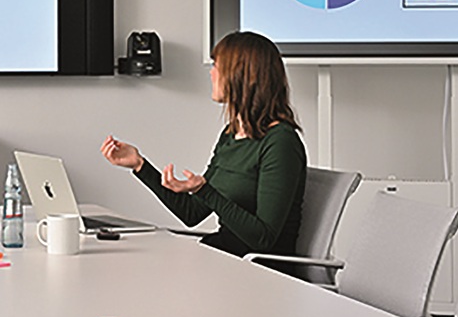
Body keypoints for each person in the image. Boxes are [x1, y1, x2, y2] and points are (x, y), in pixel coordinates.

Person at [100, 31, 307, 259]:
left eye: (218, 66)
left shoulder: (280, 142)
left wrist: (203, 190)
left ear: (242, 75)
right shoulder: (231, 135)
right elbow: (192, 213)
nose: (212, 73)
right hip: (223, 256)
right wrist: (139, 165)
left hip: (260, 270)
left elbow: (263, 238)